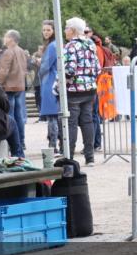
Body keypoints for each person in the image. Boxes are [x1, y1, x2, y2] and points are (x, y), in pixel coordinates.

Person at [62, 17, 101, 166]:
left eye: (66, 28)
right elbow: (97, 68)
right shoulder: (90, 44)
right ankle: (89, 157)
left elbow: (70, 69)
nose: (65, 31)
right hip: (90, 89)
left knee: (71, 123)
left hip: (74, 90)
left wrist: (63, 79)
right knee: (87, 121)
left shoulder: (70, 46)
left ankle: (69, 157)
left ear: (72, 30)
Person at [38, 20, 62, 154]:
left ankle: (53, 146)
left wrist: (39, 66)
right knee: (53, 116)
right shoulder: (54, 45)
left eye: (48, 30)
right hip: (52, 80)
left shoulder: (52, 46)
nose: (46, 32)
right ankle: (54, 144)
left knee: (52, 116)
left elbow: (46, 65)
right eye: (44, 30)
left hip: (50, 81)